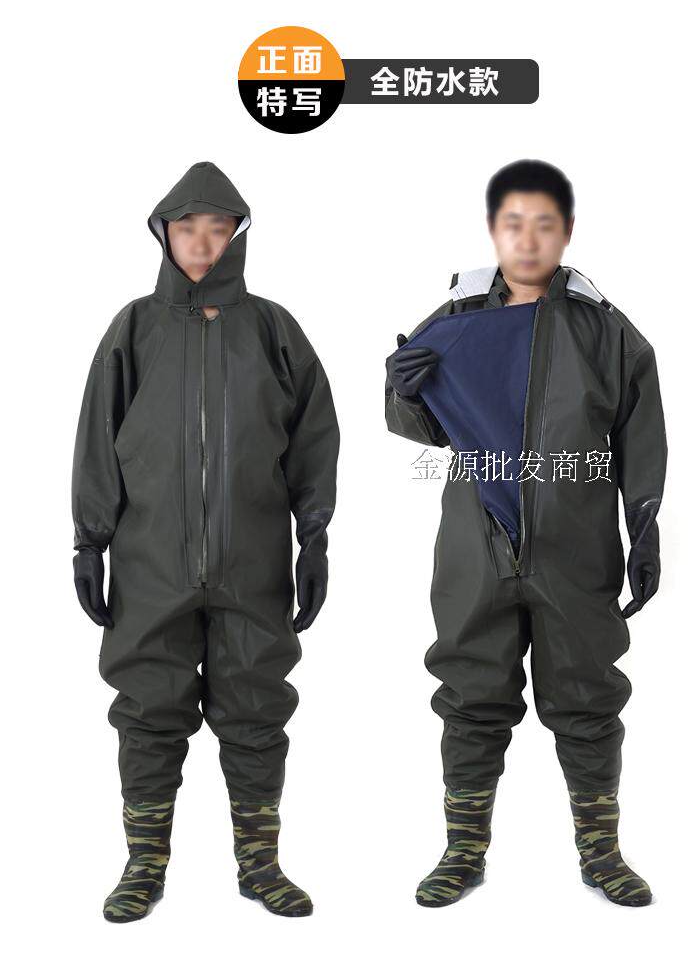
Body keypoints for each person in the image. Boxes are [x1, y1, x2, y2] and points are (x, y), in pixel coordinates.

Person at [385, 159, 666, 908]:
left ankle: (601, 853)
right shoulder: (454, 320)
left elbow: (640, 431)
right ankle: (462, 851)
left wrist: (644, 522)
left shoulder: (605, 330)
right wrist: (403, 391)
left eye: (545, 224)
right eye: (514, 224)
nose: (529, 239)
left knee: (587, 696)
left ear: (567, 231)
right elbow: (424, 425)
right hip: (475, 542)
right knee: (471, 693)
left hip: (575, 544)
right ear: (493, 230)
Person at [72, 161, 339, 922]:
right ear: (164, 235)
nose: (200, 242)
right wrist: (89, 541)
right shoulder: (134, 328)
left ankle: (260, 863)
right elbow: (98, 438)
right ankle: (143, 864)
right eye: (185, 227)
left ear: (236, 237)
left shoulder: (273, 329)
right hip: (150, 561)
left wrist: (314, 536)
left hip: (253, 561)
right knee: (148, 710)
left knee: (256, 709)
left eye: (216, 228)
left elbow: (313, 437)